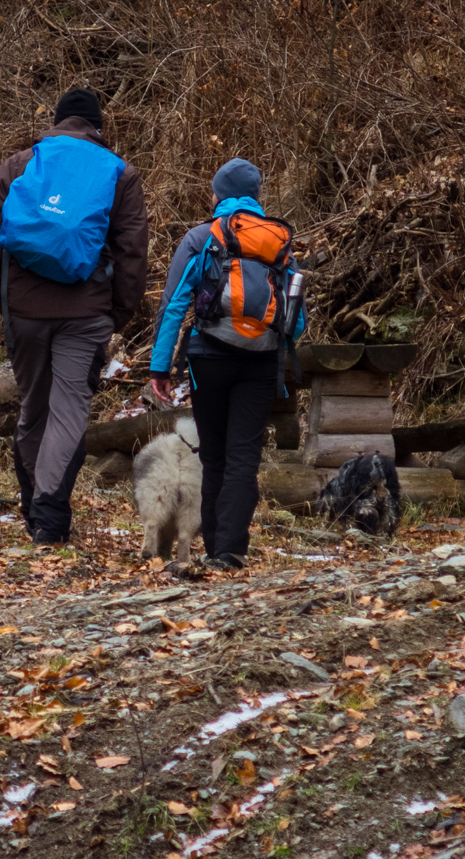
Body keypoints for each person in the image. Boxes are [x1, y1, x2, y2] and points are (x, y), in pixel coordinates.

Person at [0, 88, 148, 546]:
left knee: (33, 406)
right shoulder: (119, 173)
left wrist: (4, 298)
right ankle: (49, 517)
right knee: (68, 410)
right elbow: (132, 252)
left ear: (57, 121)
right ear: (97, 128)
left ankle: (35, 510)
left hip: (25, 311)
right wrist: (116, 314)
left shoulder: (20, 164)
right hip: (86, 311)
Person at [147, 159, 296, 572]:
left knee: (213, 455)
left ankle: (213, 547)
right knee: (244, 455)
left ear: (217, 195)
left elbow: (174, 304)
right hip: (261, 362)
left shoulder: (202, 237)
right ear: (257, 196)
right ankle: (230, 551)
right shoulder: (278, 241)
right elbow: (295, 319)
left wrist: (160, 369)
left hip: (208, 358)